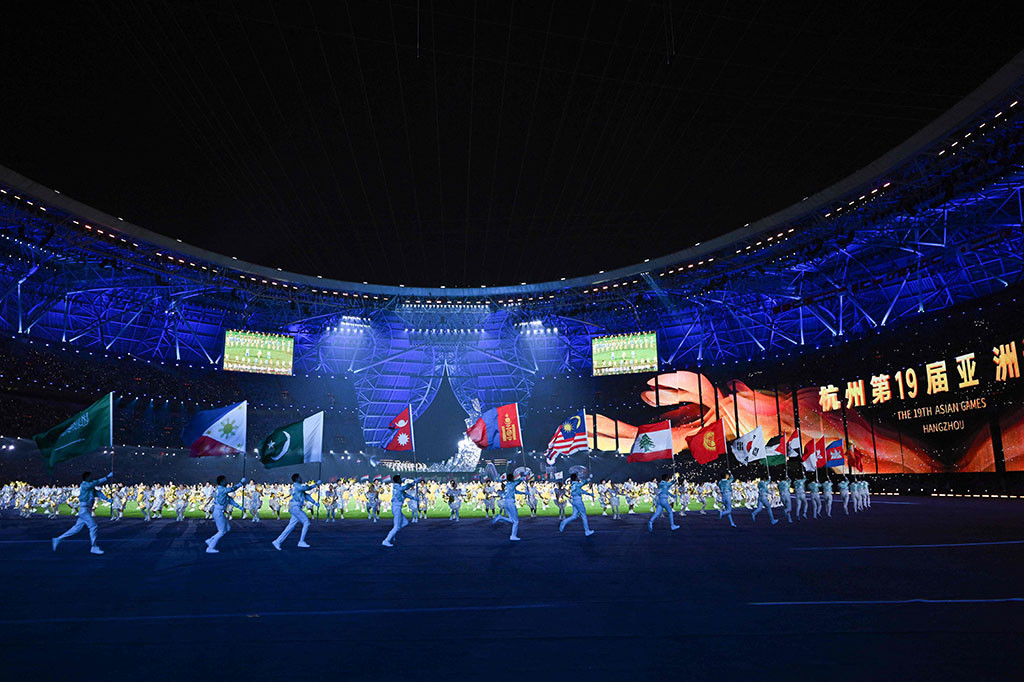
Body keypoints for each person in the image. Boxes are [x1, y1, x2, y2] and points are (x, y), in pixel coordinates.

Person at [52, 471, 113, 555]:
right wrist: (107, 477)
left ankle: (58, 539)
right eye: (90, 476)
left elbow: (98, 493)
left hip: (86, 510)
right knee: (93, 526)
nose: (92, 477)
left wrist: (108, 499)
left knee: (76, 528)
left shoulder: (90, 487)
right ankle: (93, 546)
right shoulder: (84, 485)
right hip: (84, 510)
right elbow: (96, 482)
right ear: (87, 478)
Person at [272, 475, 319, 550]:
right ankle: (301, 541)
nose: (301, 478)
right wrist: (315, 484)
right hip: (295, 507)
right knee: (306, 522)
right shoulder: (297, 486)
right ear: (296, 479)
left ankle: (277, 541)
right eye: (300, 477)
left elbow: (306, 495)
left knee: (290, 526)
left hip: (295, 507)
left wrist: (315, 503)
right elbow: (306, 488)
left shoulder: (299, 487)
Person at [205, 475, 246, 554]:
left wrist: (240, 508)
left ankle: (210, 540)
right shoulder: (221, 489)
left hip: (219, 512)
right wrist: (241, 483)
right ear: (221, 482)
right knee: (222, 531)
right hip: (218, 512)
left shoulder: (222, 490)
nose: (226, 481)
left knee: (227, 528)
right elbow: (232, 489)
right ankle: (210, 547)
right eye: (225, 480)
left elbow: (230, 500)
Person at [382, 475, 416, 547]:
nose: (401, 480)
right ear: (397, 480)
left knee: (405, 522)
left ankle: (392, 533)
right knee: (396, 526)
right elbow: (405, 488)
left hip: (398, 507)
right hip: (396, 507)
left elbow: (405, 494)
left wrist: (413, 498)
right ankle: (386, 540)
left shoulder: (398, 487)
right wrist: (413, 483)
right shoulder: (397, 486)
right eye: (400, 479)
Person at [492, 473, 524, 541]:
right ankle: (513, 536)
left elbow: (515, 491)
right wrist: (524, 475)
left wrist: (524, 493)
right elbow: (519, 481)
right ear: (512, 478)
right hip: (511, 503)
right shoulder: (512, 484)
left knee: (512, 520)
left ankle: (500, 518)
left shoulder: (507, 485)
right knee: (516, 521)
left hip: (506, 502)